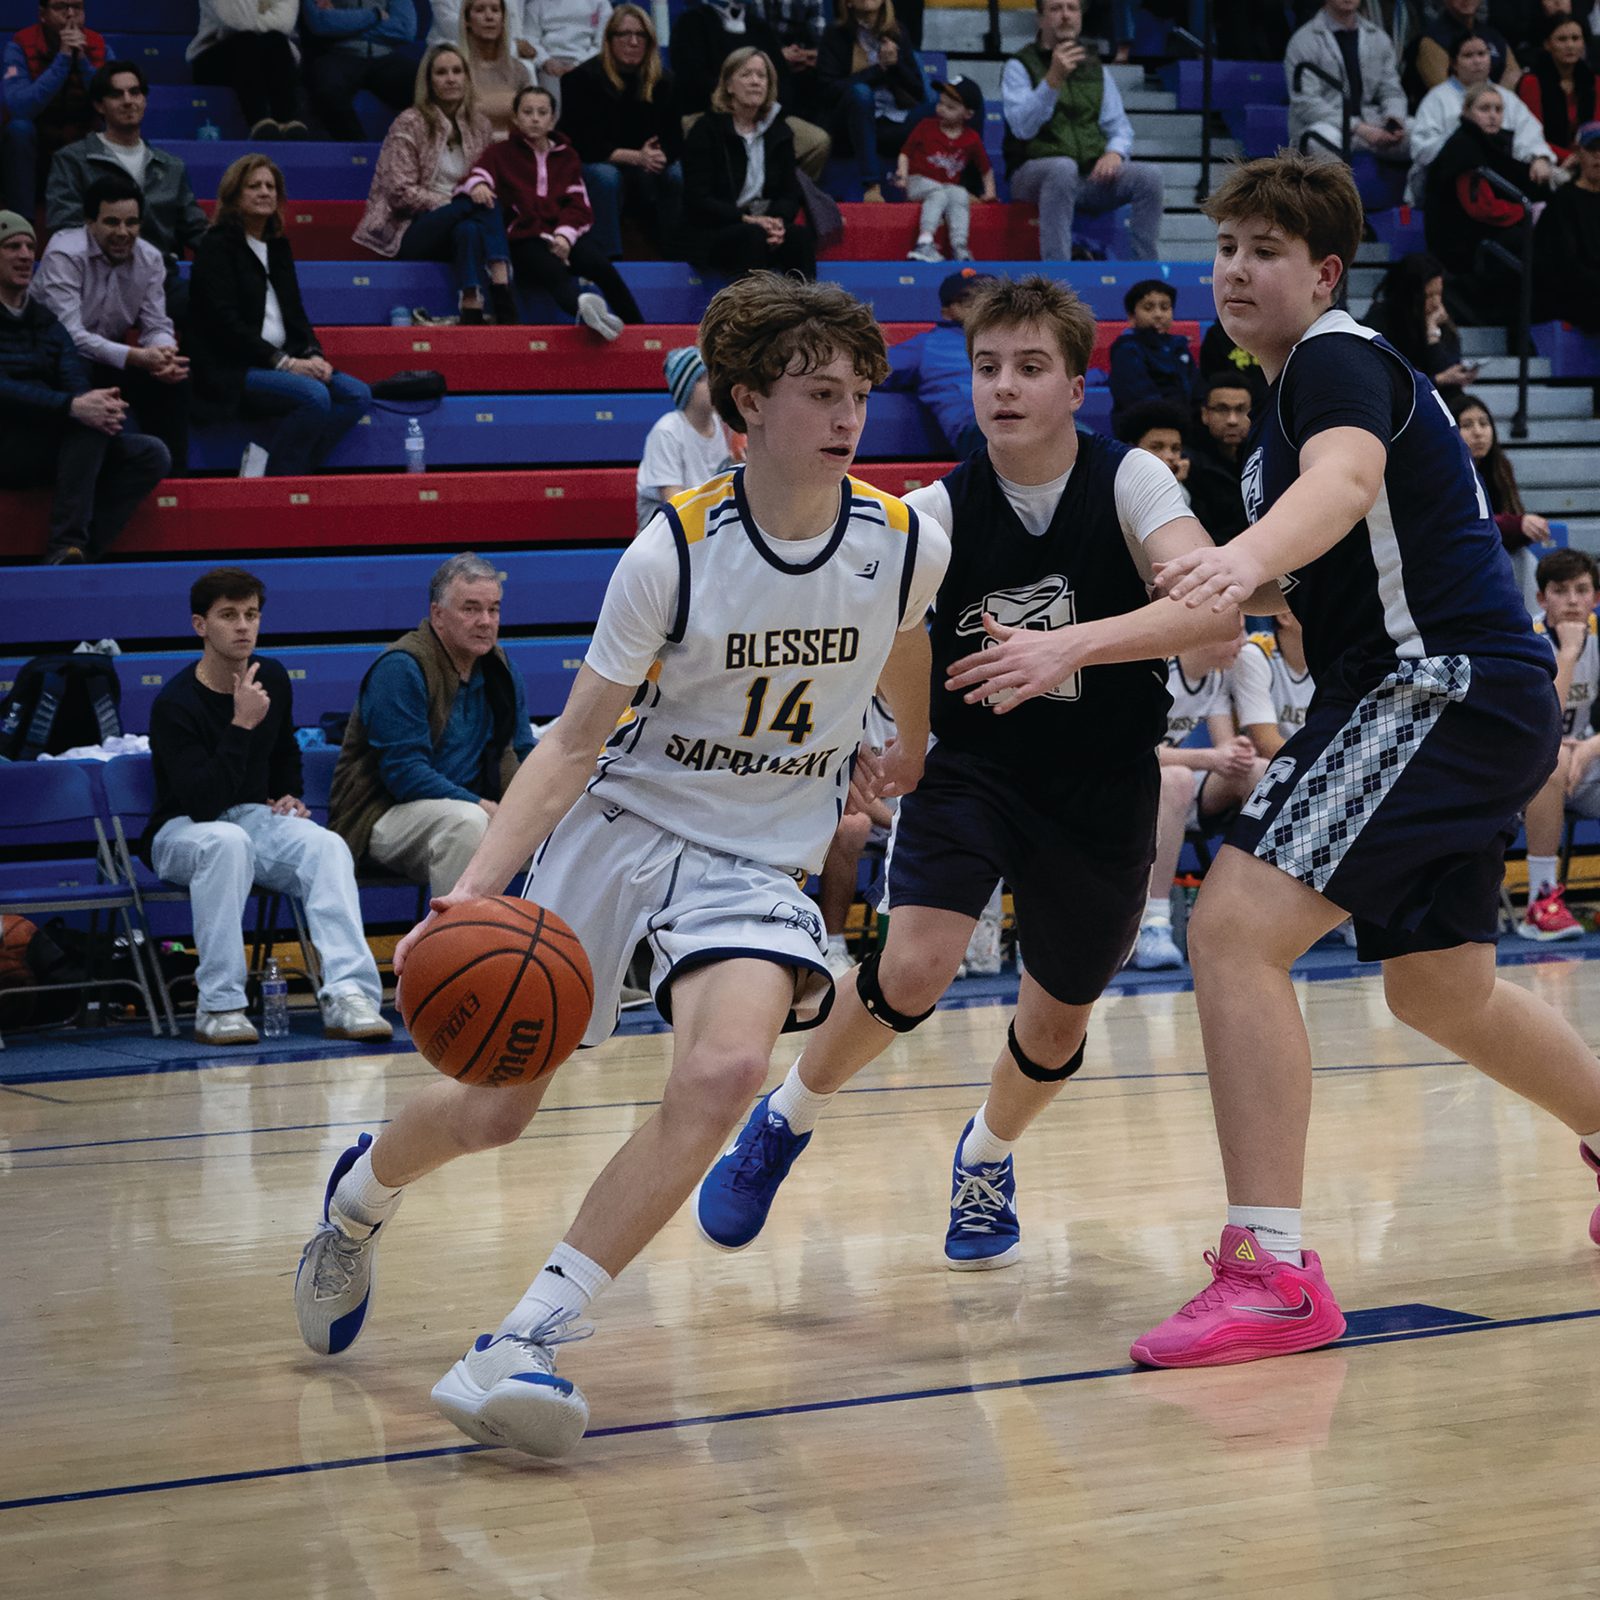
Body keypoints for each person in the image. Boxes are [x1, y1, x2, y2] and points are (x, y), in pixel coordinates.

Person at [291, 272, 951, 1461]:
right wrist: (480, 882)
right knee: (496, 1107)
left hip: (758, 851)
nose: (849, 416)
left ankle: (527, 1338)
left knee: (731, 1062)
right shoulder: (675, 552)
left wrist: (895, 747)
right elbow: (573, 742)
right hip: (626, 823)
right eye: (819, 392)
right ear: (748, 402)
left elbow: (902, 649)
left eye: (859, 392)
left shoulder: (902, 538)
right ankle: (358, 1195)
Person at [1123, 151, 1600, 1369]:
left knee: (1231, 929)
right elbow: (1249, 593)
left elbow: (1339, 486)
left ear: (1324, 270)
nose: (1235, 268)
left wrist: (1238, 561)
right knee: (1435, 987)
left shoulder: (1337, 359)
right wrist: (1068, 642)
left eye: (1265, 250)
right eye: (1224, 246)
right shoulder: (1272, 423)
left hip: (1431, 686)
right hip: (1467, 701)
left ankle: (1270, 1269)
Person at [696, 274, 1247, 1277]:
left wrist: (1069, 647)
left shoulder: (1134, 484)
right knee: (913, 964)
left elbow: (1216, 614)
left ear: (1075, 386)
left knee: (1057, 1015)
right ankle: (782, 1120)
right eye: (987, 366)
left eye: (1030, 367)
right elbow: (904, 629)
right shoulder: (936, 513)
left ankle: (987, 1154)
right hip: (978, 765)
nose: (1003, 386)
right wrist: (907, 741)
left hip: (1103, 779)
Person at [146, 567, 393, 1049]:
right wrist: (240, 725)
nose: (243, 626)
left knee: (325, 845)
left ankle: (349, 995)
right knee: (226, 840)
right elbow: (203, 803)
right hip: (182, 832)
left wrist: (289, 794)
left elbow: (283, 752)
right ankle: (220, 1006)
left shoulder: (271, 677)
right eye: (228, 615)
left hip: (249, 819)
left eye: (251, 615)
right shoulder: (175, 703)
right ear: (201, 625)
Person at [329, 553, 535, 897]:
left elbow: (523, 750)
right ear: (438, 615)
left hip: (469, 809)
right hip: (382, 815)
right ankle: (457, 947)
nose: (486, 621)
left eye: (494, 609)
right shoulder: (401, 667)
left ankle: (560, 947)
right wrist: (485, 806)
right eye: (470, 609)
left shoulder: (502, 669)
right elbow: (405, 775)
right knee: (467, 823)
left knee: (571, 828)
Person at [0, 208, 167, 565]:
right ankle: (66, 543)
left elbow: (72, 371)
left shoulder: (45, 320)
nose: (26, 255)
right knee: (88, 426)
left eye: (30, 246)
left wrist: (90, 402)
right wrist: (71, 407)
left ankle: (82, 551)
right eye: (12, 246)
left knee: (150, 453)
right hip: (8, 440)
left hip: (51, 441)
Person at [188, 155, 372, 476]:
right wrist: (285, 363)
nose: (264, 192)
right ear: (234, 195)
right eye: (254, 186)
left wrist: (314, 355)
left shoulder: (278, 246)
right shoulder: (215, 246)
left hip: (283, 361)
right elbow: (225, 327)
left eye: (270, 186)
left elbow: (296, 315)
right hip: (234, 368)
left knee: (357, 394)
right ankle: (278, 482)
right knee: (314, 397)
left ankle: (285, 469)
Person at [33, 173, 190, 473]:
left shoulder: (150, 259)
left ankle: (172, 487)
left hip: (108, 358)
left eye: (131, 223)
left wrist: (163, 354)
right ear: (89, 223)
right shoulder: (65, 253)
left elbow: (156, 324)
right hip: (56, 360)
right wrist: (136, 356)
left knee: (172, 382)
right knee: (81, 368)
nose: (123, 232)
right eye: (111, 222)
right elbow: (69, 336)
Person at [1128, 632, 1265, 971]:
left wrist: (1239, 753)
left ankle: (1247, 911)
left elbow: (1225, 750)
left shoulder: (1215, 676)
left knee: (1259, 772)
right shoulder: (1160, 670)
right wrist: (1210, 758)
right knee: (1177, 780)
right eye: (1236, 632)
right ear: (1204, 633)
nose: (1244, 641)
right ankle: (1154, 924)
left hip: (1173, 794)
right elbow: (1133, 754)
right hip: (1125, 791)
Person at [354, 44, 515, 327]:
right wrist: (455, 202)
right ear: (428, 82)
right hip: (414, 229)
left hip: (464, 227)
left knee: (471, 225)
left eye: (457, 71)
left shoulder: (480, 125)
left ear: (467, 77)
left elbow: (491, 178)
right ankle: (501, 281)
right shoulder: (410, 122)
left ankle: (471, 304)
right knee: (475, 202)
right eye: (441, 73)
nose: (450, 78)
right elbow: (399, 191)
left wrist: (470, 201)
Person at [469, 83, 643, 334]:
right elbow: (475, 176)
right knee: (554, 272)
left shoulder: (567, 156)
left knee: (601, 266)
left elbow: (579, 205)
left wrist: (564, 235)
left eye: (542, 112)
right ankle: (587, 315)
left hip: (563, 234)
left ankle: (641, 329)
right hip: (524, 237)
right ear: (516, 118)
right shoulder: (500, 153)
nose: (535, 119)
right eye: (528, 112)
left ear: (552, 120)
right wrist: (480, 185)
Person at [46, 61, 211, 323]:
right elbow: (64, 224)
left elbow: (197, 230)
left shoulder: (170, 167)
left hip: (159, 281)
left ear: (144, 100)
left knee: (217, 301)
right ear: (100, 105)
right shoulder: (72, 160)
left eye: (135, 92)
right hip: (95, 279)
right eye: (116, 94)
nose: (128, 101)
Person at [1002, 0, 1166, 261]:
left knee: (1149, 176)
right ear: (1040, 19)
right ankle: (1059, 274)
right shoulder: (1019, 66)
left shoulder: (1095, 68)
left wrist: (1115, 153)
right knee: (1062, 168)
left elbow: (1120, 127)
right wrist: (1052, 81)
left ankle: (1145, 269)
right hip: (1031, 172)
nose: (1065, 15)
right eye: (1056, 9)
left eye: (1072, 8)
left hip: (1088, 177)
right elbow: (1022, 128)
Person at [1517, 547, 1600, 940]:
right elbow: (1542, 723)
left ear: (1595, 598)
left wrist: (1588, 748)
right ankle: (1540, 901)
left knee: (1564, 759)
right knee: (1549, 760)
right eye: (1560, 590)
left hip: (1580, 764)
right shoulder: (1524, 639)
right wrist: (1568, 653)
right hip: (1519, 775)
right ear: (1540, 598)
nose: (1571, 600)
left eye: (1581, 590)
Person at [556, 5, 683, 260]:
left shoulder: (664, 81)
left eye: (640, 35)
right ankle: (609, 258)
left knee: (677, 174)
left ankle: (677, 254)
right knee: (606, 178)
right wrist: (636, 157)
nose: (633, 41)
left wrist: (660, 156)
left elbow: (675, 138)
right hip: (600, 161)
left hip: (647, 162)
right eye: (624, 34)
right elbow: (579, 142)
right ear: (609, 39)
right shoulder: (582, 79)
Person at [681, 48, 818, 279]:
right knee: (752, 235)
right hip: (715, 230)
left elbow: (789, 193)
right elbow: (698, 199)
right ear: (728, 85)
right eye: (746, 75)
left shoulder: (779, 131)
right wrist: (746, 219)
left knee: (800, 238)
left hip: (761, 225)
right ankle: (753, 314)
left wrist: (777, 223)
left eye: (761, 76)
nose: (755, 82)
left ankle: (802, 313)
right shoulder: (706, 130)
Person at [1425, 82, 1554, 324]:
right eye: (1484, 109)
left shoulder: (1491, 146)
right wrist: (1526, 213)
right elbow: (1480, 207)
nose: (1493, 115)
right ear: (1466, 112)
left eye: (1498, 109)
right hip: (1462, 246)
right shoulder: (1463, 147)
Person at [669, 0, 831, 180]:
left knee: (816, 141)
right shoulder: (691, 22)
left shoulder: (759, 27)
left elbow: (781, 81)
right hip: (708, 113)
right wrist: (734, 102)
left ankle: (784, 196)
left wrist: (763, 109)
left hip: (759, 117)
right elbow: (690, 79)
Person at [1413, 32, 1557, 202]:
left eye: (1482, 54)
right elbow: (1422, 149)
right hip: (1451, 187)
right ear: (1453, 63)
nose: (1477, 61)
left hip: (1505, 183)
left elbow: (1529, 134)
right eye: (1468, 55)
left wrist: (1539, 157)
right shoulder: (1437, 99)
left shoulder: (1507, 97)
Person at [817, 0, 933, 204]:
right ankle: (871, 186)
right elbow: (828, 91)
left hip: (892, 118)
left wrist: (896, 65)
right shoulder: (835, 33)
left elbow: (918, 92)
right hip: (850, 121)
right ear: (848, 3)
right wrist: (877, 70)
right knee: (861, 94)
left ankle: (954, 186)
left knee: (943, 102)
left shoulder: (898, 32)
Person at [0, 0, 106, 216]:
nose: (70, 15)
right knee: (19, 129)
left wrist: (83, 62)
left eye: (77, 7)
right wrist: (63, 59)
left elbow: (109, 102)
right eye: (60, 7)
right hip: (34, 157)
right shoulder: (19, 45)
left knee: (118, 131)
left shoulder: (97, 45)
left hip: (79, 153)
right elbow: (19, 106)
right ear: (43, 14)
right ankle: (23, 227)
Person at [878, 266, 989, 458]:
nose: (980, 304)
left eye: (989, 297)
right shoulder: (928, 346)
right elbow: (867, 368)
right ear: (947, 311)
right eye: (968, 299)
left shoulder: (1021, 338)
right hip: (980, 430)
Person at [1285, 0, 1410, 168]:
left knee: (1423, 134)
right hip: (1327, 125)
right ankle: (1336, 195)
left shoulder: (1378, 38)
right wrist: (1357, 127)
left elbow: (1391, 90)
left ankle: (1417, 195)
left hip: (1372, 121)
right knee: (1320, 140)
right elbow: (1306, 102)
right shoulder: (1304, 41)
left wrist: (1394, 119)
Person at [635, 344, 739, 527]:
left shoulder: (725, 425)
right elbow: (674, 503)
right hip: (666, 530)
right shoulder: (667, 432)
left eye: (713, 376)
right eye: (702, 378)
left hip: (708, 521)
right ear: (686, 389)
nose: (712, 383)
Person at [898, 75, 995, 263]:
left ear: (967, 114)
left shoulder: (971, 138)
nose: (942, 109)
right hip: (917, 181)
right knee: (940, 194)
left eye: (950, 107)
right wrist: (902, 175)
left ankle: (960, 247)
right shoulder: (926, 126)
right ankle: (924, 242)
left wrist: (990, 192)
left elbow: (986, 169)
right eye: (941, 103)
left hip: (945, 186)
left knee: (959, 194)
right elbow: (905, 153)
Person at [1363, 254, 1480, 400]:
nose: (1436, 303)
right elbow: (1390, 381)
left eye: (1439, 294)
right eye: (1429, 296)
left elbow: (1449, 372)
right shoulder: (1382, 319)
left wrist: (1432, 332)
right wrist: (1439, 379)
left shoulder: (1438, 318)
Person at [188, 0, 309, 141]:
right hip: (213, 55)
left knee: (276, 40)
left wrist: (256, 24)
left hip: (263, 52)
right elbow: (240, 21)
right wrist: (266, 17)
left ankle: (287, 122)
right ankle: (259, 122)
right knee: (246, 41)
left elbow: (284, 23)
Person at [299, 0, 419, 143]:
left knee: (426, 83)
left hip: (384, 55)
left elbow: (405, 29)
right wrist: (375, 15)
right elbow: (320, 23)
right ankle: (358, 149)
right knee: (326, 86)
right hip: (339, 53)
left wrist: (345, 25)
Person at [1451, 390, 1553, 556]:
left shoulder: (1501, 467)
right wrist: (1516, 525)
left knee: (1524, 558)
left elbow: (1512, 527)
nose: (1478, 432)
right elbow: (1464, 524)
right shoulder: (1446, 474)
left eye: (1484, 424)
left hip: (1494, 556)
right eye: (1467, 425)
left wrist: (1527, 529)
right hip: (1460, 557)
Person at [1533, 118, 1600, 330]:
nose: (1598, 156)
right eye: (1592, 149)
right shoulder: (1563, 202)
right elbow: (1564, 264)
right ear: (1578, 154)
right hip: (1575, 295)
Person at [1108, 278, 1197, 434]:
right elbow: (1139, 400)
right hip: (1143, 431)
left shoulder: (1180, 348)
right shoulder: (1126, 349)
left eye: (1165, 307)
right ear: (1131, 316)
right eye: (1148, 308)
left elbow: (1196, 390)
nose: (1158, 314)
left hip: (1185, 430)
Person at [1230, 612, 1315, 759]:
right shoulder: (1254, 653)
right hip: (1273, 767)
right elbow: (1267, 745)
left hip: (1310, 762)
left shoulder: (1332, 657)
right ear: (1284, 616)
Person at [1183, 375, 1252, 545]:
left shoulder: (1266, 458)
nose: (1232, 420)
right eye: (1222, 409)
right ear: (1205, 414)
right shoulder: (1188, 465)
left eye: (1241, 409)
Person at [1519, 14, 1598, 162]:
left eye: (1576, 39)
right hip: (1548, 161)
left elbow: (1597, 128)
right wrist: (1573, 159)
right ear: (1547, 44)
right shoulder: (1532, 82)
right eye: (1562, 39)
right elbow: (1533, 136)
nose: (1570, 45)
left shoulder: (1594, 81)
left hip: (1591, 160)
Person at [515, 0, 610, 108]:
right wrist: (545, 61)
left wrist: (581, 64)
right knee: (549, 106)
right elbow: (530, 38)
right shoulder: (536, 4)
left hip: (587, 62)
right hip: (550, 64)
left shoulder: (601, 3)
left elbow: (603, 41)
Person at [457, 0, 532, 135]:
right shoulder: (456, 69)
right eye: (480, 10)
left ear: (503, 19)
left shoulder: (519, 70)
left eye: (495, 10)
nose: (489, 17)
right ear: (467, 20)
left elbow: (532, 116)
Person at [1417, 0, 1524, 93]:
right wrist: (1495, 95)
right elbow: (1443, 92)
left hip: (1500, 109)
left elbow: (1514, 74)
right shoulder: (1431, 40)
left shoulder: (1492, 35)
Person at [761, 0, 830, 125]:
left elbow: (822, 45)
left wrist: (803, 55)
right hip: (762, 64)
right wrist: (777, 55)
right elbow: (749, 38)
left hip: (803, 67)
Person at [1115, 398, 1190, 495]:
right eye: (1156, 447)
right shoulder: (1115, 490)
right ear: (1131, 448)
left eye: (1175, 449)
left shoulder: (1191, 488)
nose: (1169, 456)